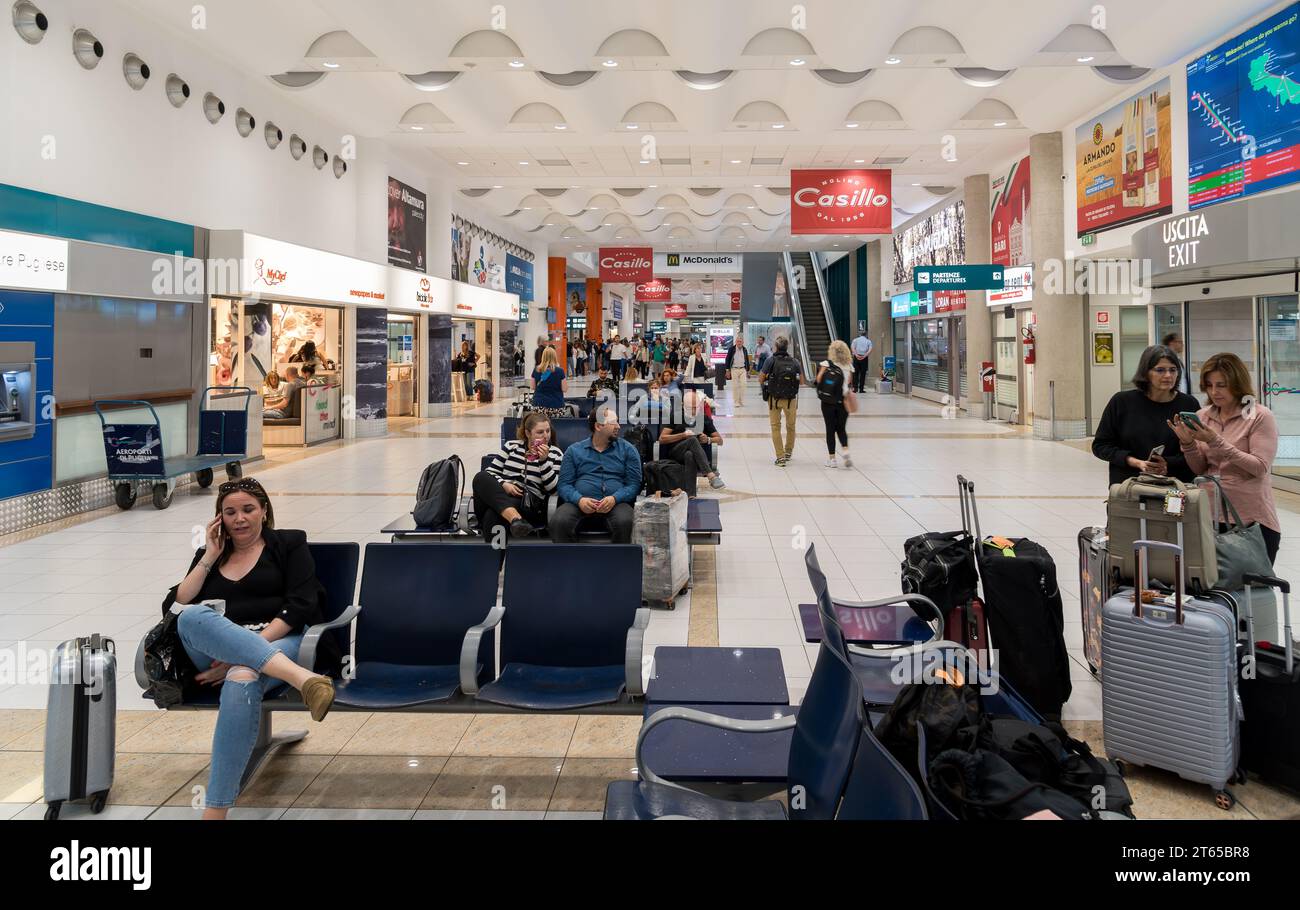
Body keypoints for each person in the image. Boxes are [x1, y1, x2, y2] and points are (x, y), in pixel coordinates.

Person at [162, 478, 339, 819]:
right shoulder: (210, 554)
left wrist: (244, 653)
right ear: (219, 519)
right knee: (193, 616)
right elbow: (177, 603)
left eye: (247, 510)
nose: (239, 519)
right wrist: (210, 556)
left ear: (264, 511)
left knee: (243, 676)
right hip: (217, 645)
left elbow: (301, 605)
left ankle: (215, 810)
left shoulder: (289, 544)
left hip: (279, 638)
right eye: (230, 512)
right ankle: (305, 681)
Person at [1170, 353, 1282, 564]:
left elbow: (1259, 467)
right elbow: (1200, 468)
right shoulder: (1203, 416)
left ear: (1237, 383)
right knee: (1210, 589)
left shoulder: (1259, 415)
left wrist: (1214, 440)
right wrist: (1188, 444)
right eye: (1209, 385)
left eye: (1221, 385)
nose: (1214, 392)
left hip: (1251, 521)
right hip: (1209, 517)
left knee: (1251, 589)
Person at [1092, 344, 1200, 485]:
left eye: (1173, 370)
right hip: (1130, 487)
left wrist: (1167, 463)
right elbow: (1101, 445)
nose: (1168, 375)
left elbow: (1199, 451)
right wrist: (1134, 462)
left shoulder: (1188, 404)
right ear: (1146, 373)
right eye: (1160, 370)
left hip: (1176, 488)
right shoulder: (1122, 402)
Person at [550, 405, 643, 543]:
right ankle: (569, 562)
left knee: (625, 522)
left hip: (617, 503)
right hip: (579, 503)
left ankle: (619, 563)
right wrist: (579, 500)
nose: (618, 426)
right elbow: (564, 485)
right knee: (559, 521)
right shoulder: (574, 451)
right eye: (613, 423)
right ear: (598, 426)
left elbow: (634, 484)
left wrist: (614, 498)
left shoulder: (628, 450)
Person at [472, 411, 564, 542]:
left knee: (492, 516)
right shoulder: (511, 446)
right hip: (503, 493)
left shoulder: (555, 453)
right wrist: (504, 484)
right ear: (527, 433)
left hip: (528, 503)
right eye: (540, 432)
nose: (545, 436)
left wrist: (543, 461)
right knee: (480, 477)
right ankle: (515, 519)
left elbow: (554, 490)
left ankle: (496, 559)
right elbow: (490, 472)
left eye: (548, 431)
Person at [659, 390, 726, 490]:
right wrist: (682, 435)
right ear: (683, 406)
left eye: (696, 408)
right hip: (676, 452)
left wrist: (708, 439)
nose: (694, 411)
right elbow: (662, 439)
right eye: (691, 408)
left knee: (689, 454)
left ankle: (691, 494)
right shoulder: (676, 416)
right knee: (692, 439)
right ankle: (711, 476)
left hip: (696, 456)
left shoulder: (703, 418)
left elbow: (720, 440)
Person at [760, 336, 803, 466]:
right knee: (791, 426)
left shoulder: (770, 360)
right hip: (791, 399)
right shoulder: (795, 362)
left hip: (774, 399)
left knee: (775, 427)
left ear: (776, 347)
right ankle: (788, 452)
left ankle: (780, 457)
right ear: (787, 347)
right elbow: (801, 381)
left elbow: (761, 378)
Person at [816, 340, 855, 468]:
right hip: (843, 401)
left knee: (830, 429)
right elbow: (849, 382)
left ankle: (832, 459)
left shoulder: (826, 364)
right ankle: (846, 452)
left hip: (828, 401)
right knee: (841, 428)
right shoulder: (849, 365)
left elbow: (818, 379)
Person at [530, 346, 569, 417]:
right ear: (554, 357)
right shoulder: (560, 371)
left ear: (543, 357)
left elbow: (532, 387)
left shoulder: (536, 370)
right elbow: (564, 389)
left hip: (539, 406)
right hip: (556, 406)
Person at [726, 338, 751, 408]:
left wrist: (748, 371)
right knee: (735, 386)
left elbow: (746, 360)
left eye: (740, 341)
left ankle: (741, 401)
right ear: (735, 342)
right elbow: (727, 359)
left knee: (743, 385)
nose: (739, 343)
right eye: (738, 341)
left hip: (743, 369)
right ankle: (736, 402)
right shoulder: (732, 349)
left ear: (743, 342)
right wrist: (727, 370)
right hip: (734, 369)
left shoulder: (745, 349)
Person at [851, 329, 873, 394]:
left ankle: (855, 389)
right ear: (866, 334)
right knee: (863, 374)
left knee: (855, 374)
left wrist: (856, 355)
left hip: (856, 358)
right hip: (864, 358)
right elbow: (870, 349)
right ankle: (861, 389)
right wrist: (865, 356)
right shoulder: (868, 341)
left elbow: (852, 347)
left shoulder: (855, 340)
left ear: (859, 334)